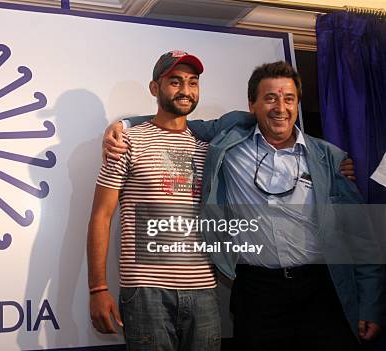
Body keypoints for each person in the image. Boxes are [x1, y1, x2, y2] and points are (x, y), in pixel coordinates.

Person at [104, 61, 383, 350]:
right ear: (252, 105)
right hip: (257, 292)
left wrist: (371, 304)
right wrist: (123, 125)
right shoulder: (230, 140)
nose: (280, 107)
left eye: (289, 99)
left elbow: (361, 237)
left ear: (298, 105)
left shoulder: (329, 158)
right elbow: (175, 118)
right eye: (270, 98)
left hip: (321, 290)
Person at [87, 50, 220, 351]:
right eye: (175, 81)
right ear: (154, 88)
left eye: (193, 82)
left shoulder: (210, 147)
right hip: (146, 291)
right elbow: (101, 216)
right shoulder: (126, 142)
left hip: (204, 290)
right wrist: (97, 288)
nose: (185, 90)